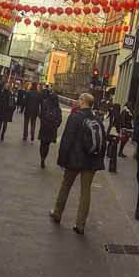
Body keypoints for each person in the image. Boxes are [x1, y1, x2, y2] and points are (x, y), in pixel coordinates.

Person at [50, 93, 106, 235]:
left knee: (66, 185)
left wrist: (62, 160)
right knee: (85, 191)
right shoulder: (98, 120)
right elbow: (102, 143)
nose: (77, 102)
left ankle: (57, 213)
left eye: (78, 100)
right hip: (91, 161)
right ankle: (80, 224)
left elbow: (66, 140)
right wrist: (97, 161)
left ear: (82, 101)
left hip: (74, 159)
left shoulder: (75, 117)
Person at [37, 85, 63, 168]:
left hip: (44, 126)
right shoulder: (58, 108)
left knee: (42, 143)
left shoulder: (45, 105)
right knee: (47, 144)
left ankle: (41, 157)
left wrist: (43, 122)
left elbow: (40, 115)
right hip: (52, 129)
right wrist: (56, 125)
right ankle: (44, 158)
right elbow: (59, 120)